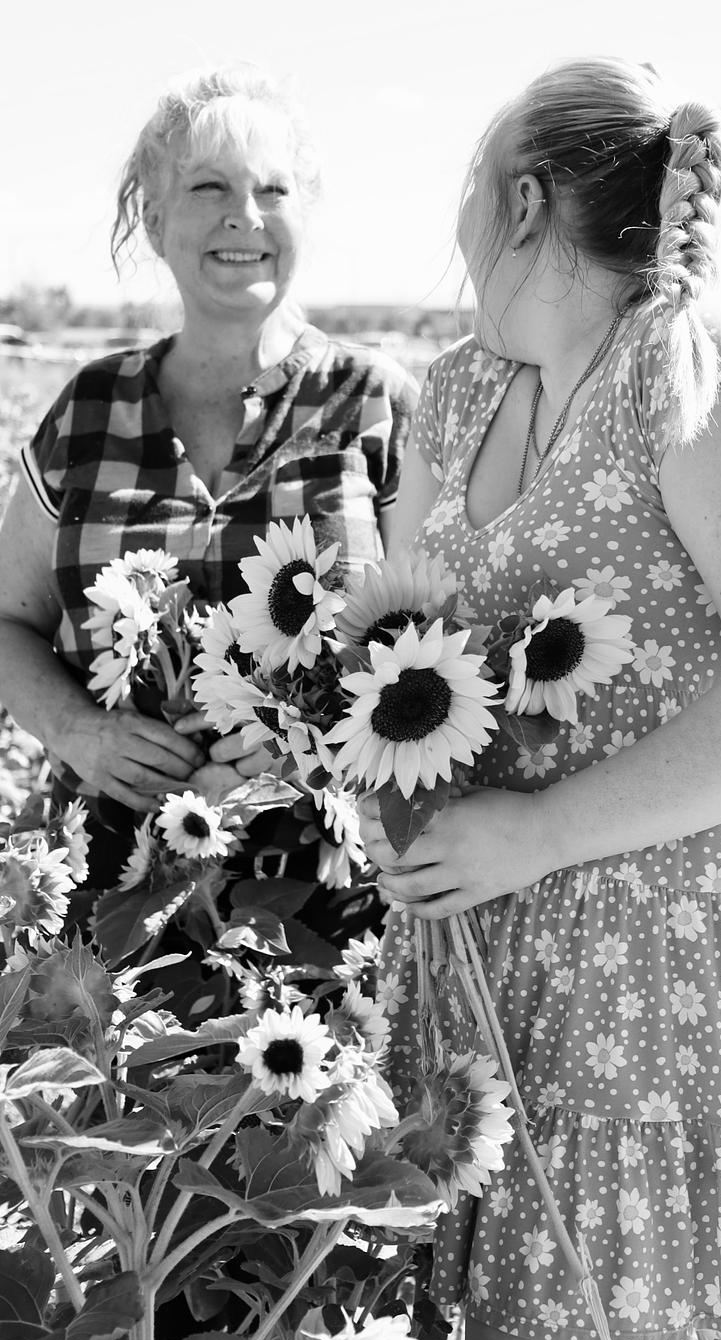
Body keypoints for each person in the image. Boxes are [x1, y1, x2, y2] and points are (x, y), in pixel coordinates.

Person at [358, 57, 721, 1340]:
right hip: (474, 960)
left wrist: (540, 832)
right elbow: (397, 644)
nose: (456, 226)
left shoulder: (700, 369)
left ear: (525, 200)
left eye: (471, 191)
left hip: (649, 991)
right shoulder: (458, 395)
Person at [0, 65, 417, 893]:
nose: (245, 215)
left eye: (273, 189)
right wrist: (79, 731)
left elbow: (438, 639)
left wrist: (302, 740)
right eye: (209, 186)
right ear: (155, 221)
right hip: (104, 888)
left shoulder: (375, 402)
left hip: (332, 892)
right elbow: (7, 620)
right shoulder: (88, 407)